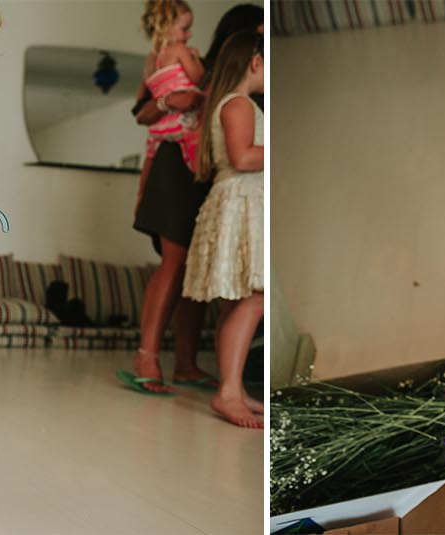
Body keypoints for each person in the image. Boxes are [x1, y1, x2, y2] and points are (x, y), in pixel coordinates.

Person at [181, 32, 265, 428]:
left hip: (242, 201)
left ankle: (233, 387)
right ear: (254, 63)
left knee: (238, 300)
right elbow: (243, 156)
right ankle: (228, 390)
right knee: (255, 296)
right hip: (241, 202)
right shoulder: (239, 104)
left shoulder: (236, 103)